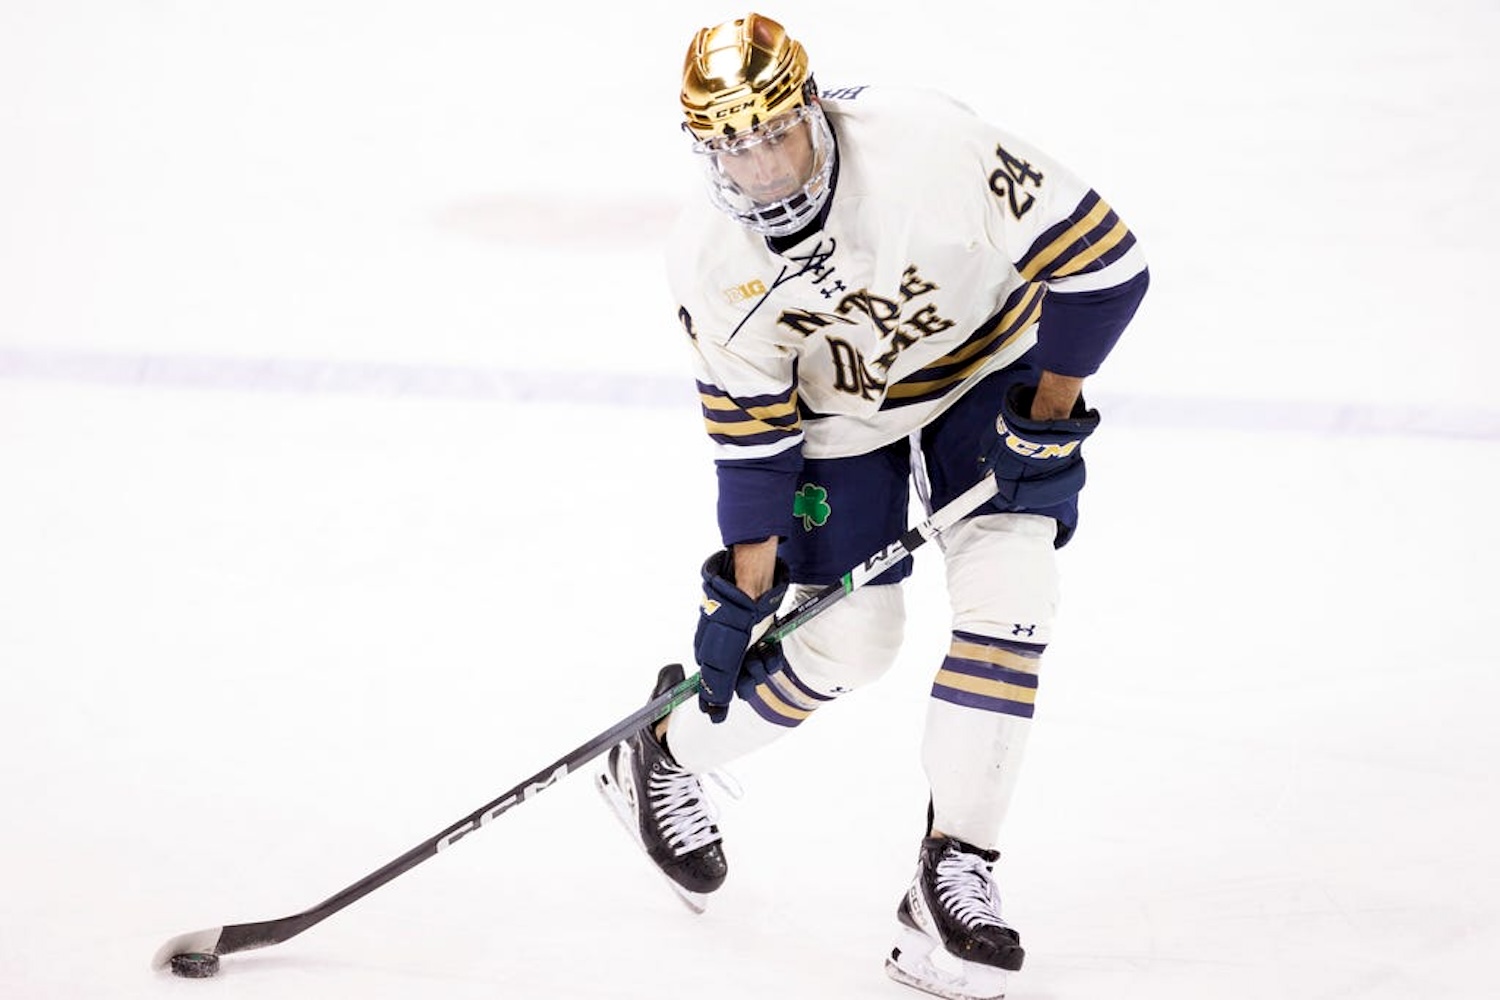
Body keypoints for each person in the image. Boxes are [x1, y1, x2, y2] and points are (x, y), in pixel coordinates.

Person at [597, 13, 1148, 1000]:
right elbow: (757, 447)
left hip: (987, 364)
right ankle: (664, 751)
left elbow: (1104, 265)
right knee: (850, 642)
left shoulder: (930, 145)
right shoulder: (714, 265)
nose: (761, 164)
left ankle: (952, 874)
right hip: (841, 425)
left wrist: (1046, 414)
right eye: (732, 146)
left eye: (774, 131)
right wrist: (743, 594)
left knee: (1015, 585)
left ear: (812, 106)